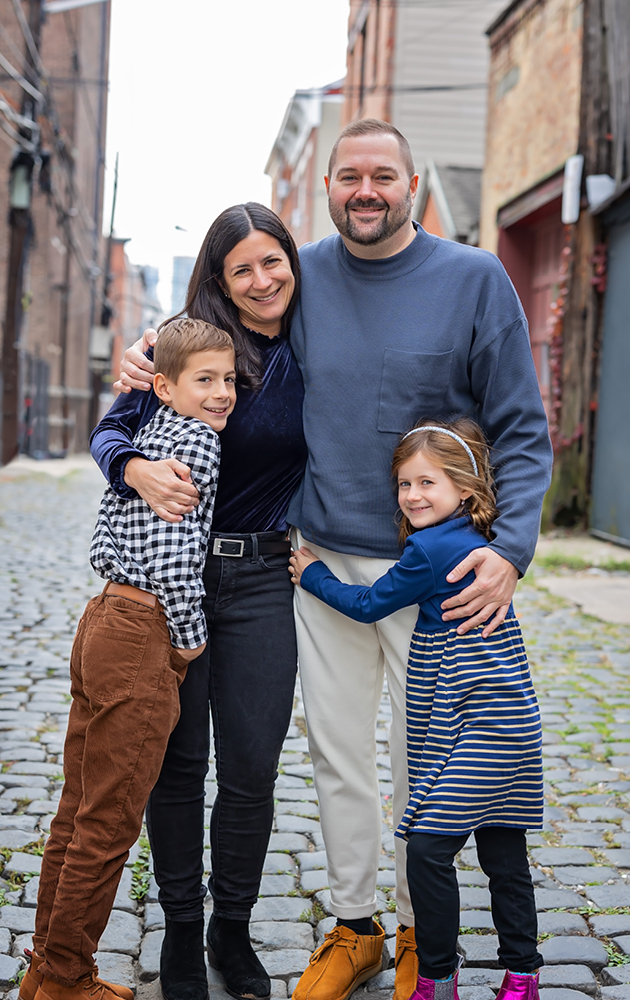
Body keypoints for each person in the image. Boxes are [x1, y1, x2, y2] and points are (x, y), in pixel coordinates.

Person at [116, 120, 552, 1000]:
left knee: (425, 760)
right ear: (325, 185)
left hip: (439, 579)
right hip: (314, 564)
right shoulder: (299, 274)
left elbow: (520, 426)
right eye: (349, 175)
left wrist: (510, 552)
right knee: (339, 759)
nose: (366, 191)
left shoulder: (475, 279)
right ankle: (354, 925)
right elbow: (215, 332)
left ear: (414, 182)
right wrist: (145, 359)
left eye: (382, 175)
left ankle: (421, 940)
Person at [90, 204, 307, 1000]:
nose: (261, 280)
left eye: (272, 261)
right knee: (176, 767)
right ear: (218, 277)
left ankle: (232, 931)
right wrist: (132, 469)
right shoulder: (180, 345)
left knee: (250, 768)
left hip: (258, 581)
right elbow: (110, 432)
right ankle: (182, 929)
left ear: (292, 261)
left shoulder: (314, 343)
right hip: (164, 581)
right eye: (241, 267)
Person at [289, 418, 544, 1000]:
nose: (412, 496)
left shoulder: (430, 549)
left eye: (427, 482)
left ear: (467, 489)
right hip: (509, 719)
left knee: (428, 848)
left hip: (482, 724)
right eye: (403, 485)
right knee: (504, 849)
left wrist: (313, 573)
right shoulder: (469, 539)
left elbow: (368, 603)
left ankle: (435, 977)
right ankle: (522, 978)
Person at [26, 320, 236, 1000]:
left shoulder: (144, 439)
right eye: (205, 380)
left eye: (228, 380)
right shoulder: (199, 444)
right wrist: (189, 636)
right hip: (144, 631)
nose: (222, 393)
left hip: (103, 618)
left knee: (77, 808)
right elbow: (178, 561)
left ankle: (47, 970)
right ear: (166, 386)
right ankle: (64, 979)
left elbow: (112, 523)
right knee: (109, 821)